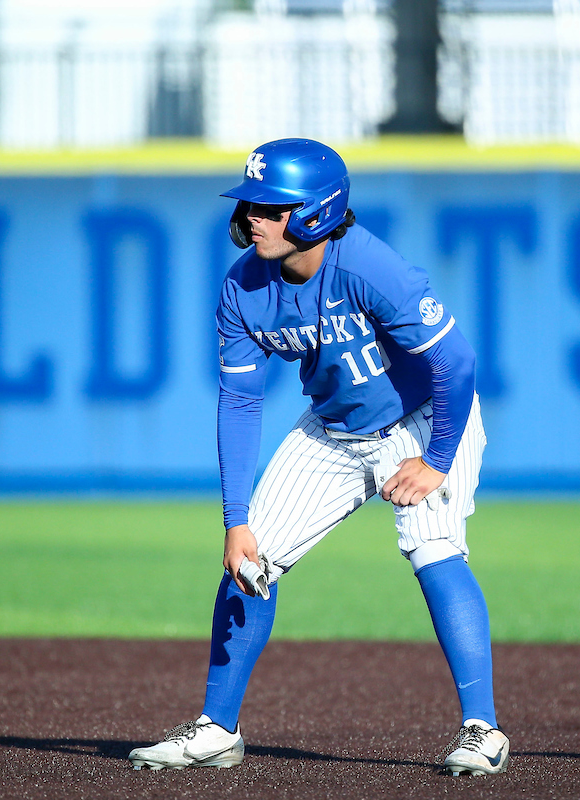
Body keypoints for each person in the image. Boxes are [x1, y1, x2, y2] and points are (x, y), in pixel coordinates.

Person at [128, 138, 508, 777]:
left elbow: (458, 363)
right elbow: (240, 402)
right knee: (252, 560)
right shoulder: (244, 288)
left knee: (434, 545)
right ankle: (217, 729)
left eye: (271, 207)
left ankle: (483, 730)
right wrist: (235, 518)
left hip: (426, 420)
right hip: (334, 427)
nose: (254, 216)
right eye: (251, 203)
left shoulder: (369, 268)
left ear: (315, 212)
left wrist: (439, 459)